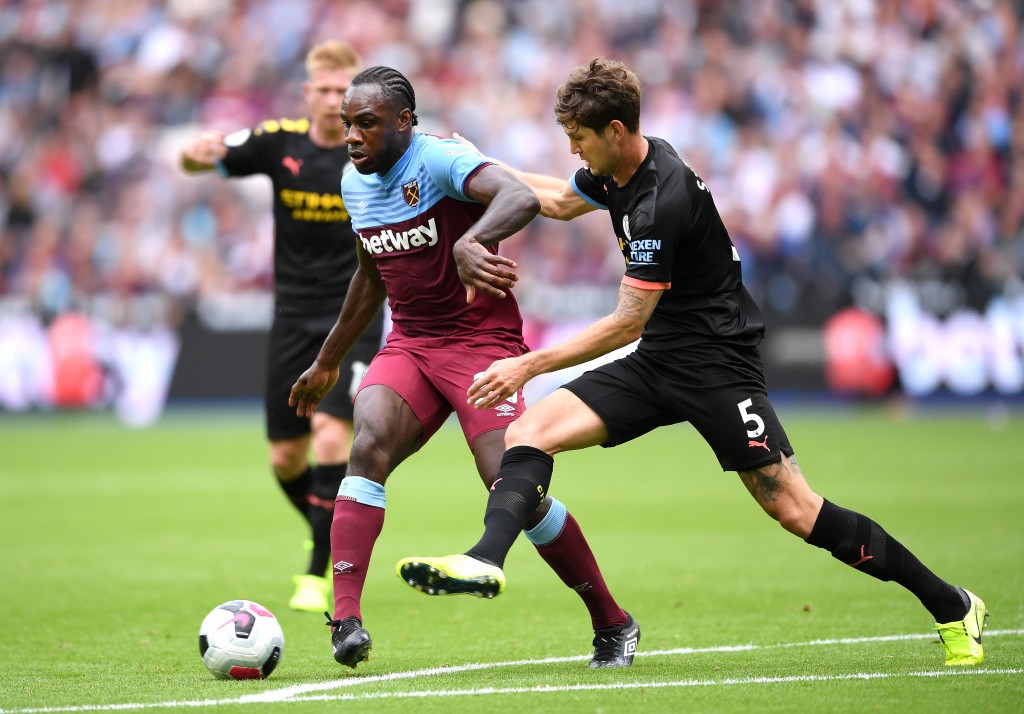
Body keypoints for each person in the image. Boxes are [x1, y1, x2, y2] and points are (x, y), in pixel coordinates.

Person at [397, 57, 989, 668]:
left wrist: (529, 366)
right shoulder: (621, 168)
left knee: (795, 509)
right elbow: (555, 200)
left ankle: (953, 606)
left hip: (718, 367)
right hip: (660, 361)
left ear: (617, 131)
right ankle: (485, 559)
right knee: (529, 432)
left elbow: (627, 321)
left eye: (579, 138)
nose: (572, 149)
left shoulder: (660, 199)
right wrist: (480, 164)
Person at [287, 65, 638, 670]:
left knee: (512, 486)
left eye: (365, 123)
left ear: (404, 121)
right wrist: (327, 361)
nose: (351, 135)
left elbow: (520, 196)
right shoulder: (354, 183)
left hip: (482, 343)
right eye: (347, 124)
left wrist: (470, 241)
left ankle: (612, 620)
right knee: (367, 439)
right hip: (412, 345)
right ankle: (345, 618)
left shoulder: (440, 159)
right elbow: (372, 274)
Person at [180, 41, 385, 614]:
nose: (329, 101)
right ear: (307, 93)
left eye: (340, 91)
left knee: (329, 437)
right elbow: (204, 159)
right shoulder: (278, 143)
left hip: (355, 314)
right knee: (285, 459)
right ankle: (330, 528)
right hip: (291, 317)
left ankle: (318, 571)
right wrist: (195, 155)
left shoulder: (376, 153)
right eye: (321, 90)